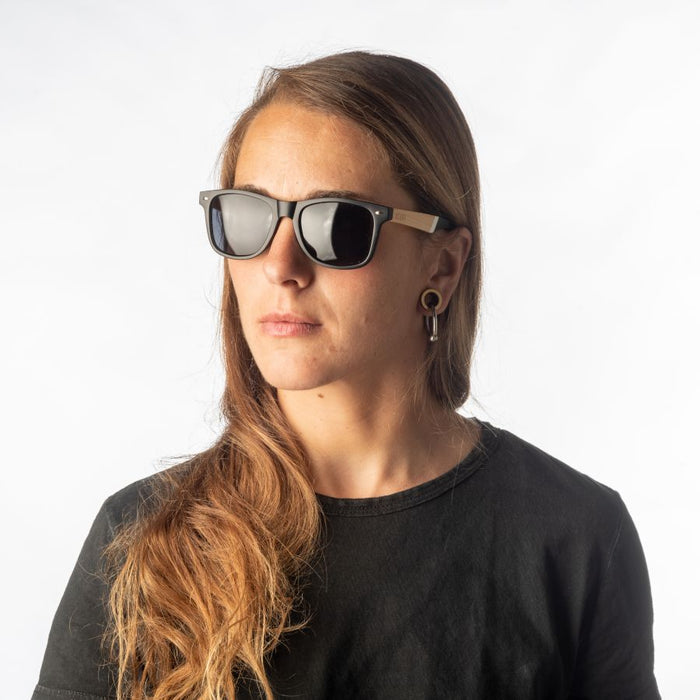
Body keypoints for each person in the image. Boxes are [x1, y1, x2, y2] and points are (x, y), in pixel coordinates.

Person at [32, 51, 660, 700]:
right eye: (247, 216)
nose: (280, 266)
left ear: (442, 266)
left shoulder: (576, 537)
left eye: (337, 225)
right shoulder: (143, 540)